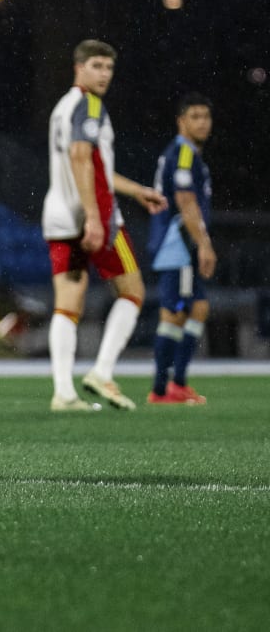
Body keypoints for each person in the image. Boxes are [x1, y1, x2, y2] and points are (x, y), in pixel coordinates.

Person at [41, 40, 167, 412]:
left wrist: (136, 190)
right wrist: (95, 218)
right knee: (132, 292)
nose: (104, 74)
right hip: (95, 215)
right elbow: (82, 158)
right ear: (77, 67)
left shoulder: (63, 107)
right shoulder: (90, 105)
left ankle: (63, 393)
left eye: (109, 68)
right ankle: (102, 371)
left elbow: (92, 164)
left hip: (60, 215)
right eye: (96, 65)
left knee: (67, 305)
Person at [145, 93, 215, 405]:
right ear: (181, 121)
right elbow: (185, 200)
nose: (202, 122)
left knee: (196, 308)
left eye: (206, 116)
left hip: (178, 243)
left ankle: (175, 383)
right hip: (179, 244)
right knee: (175, 312)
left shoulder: (186, 154)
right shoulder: (184, 154)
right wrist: (204, 245)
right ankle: (163, 388)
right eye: (195, 116)